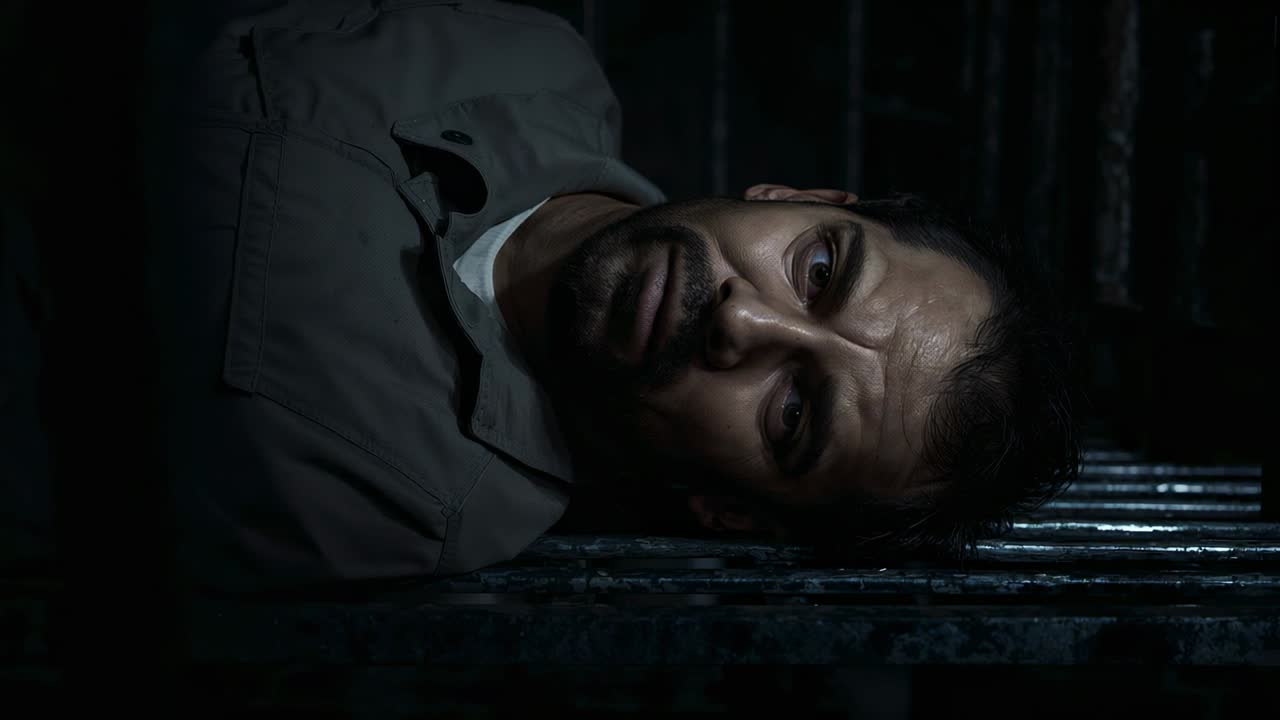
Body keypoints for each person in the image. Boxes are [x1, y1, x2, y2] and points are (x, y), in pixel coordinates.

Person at [145, 0, 1078, 591]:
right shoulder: (532, 57)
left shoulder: (404, 502)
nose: (742, 319)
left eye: (794, 411)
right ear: (797, 198)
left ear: (734, 513)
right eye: (820, 273)